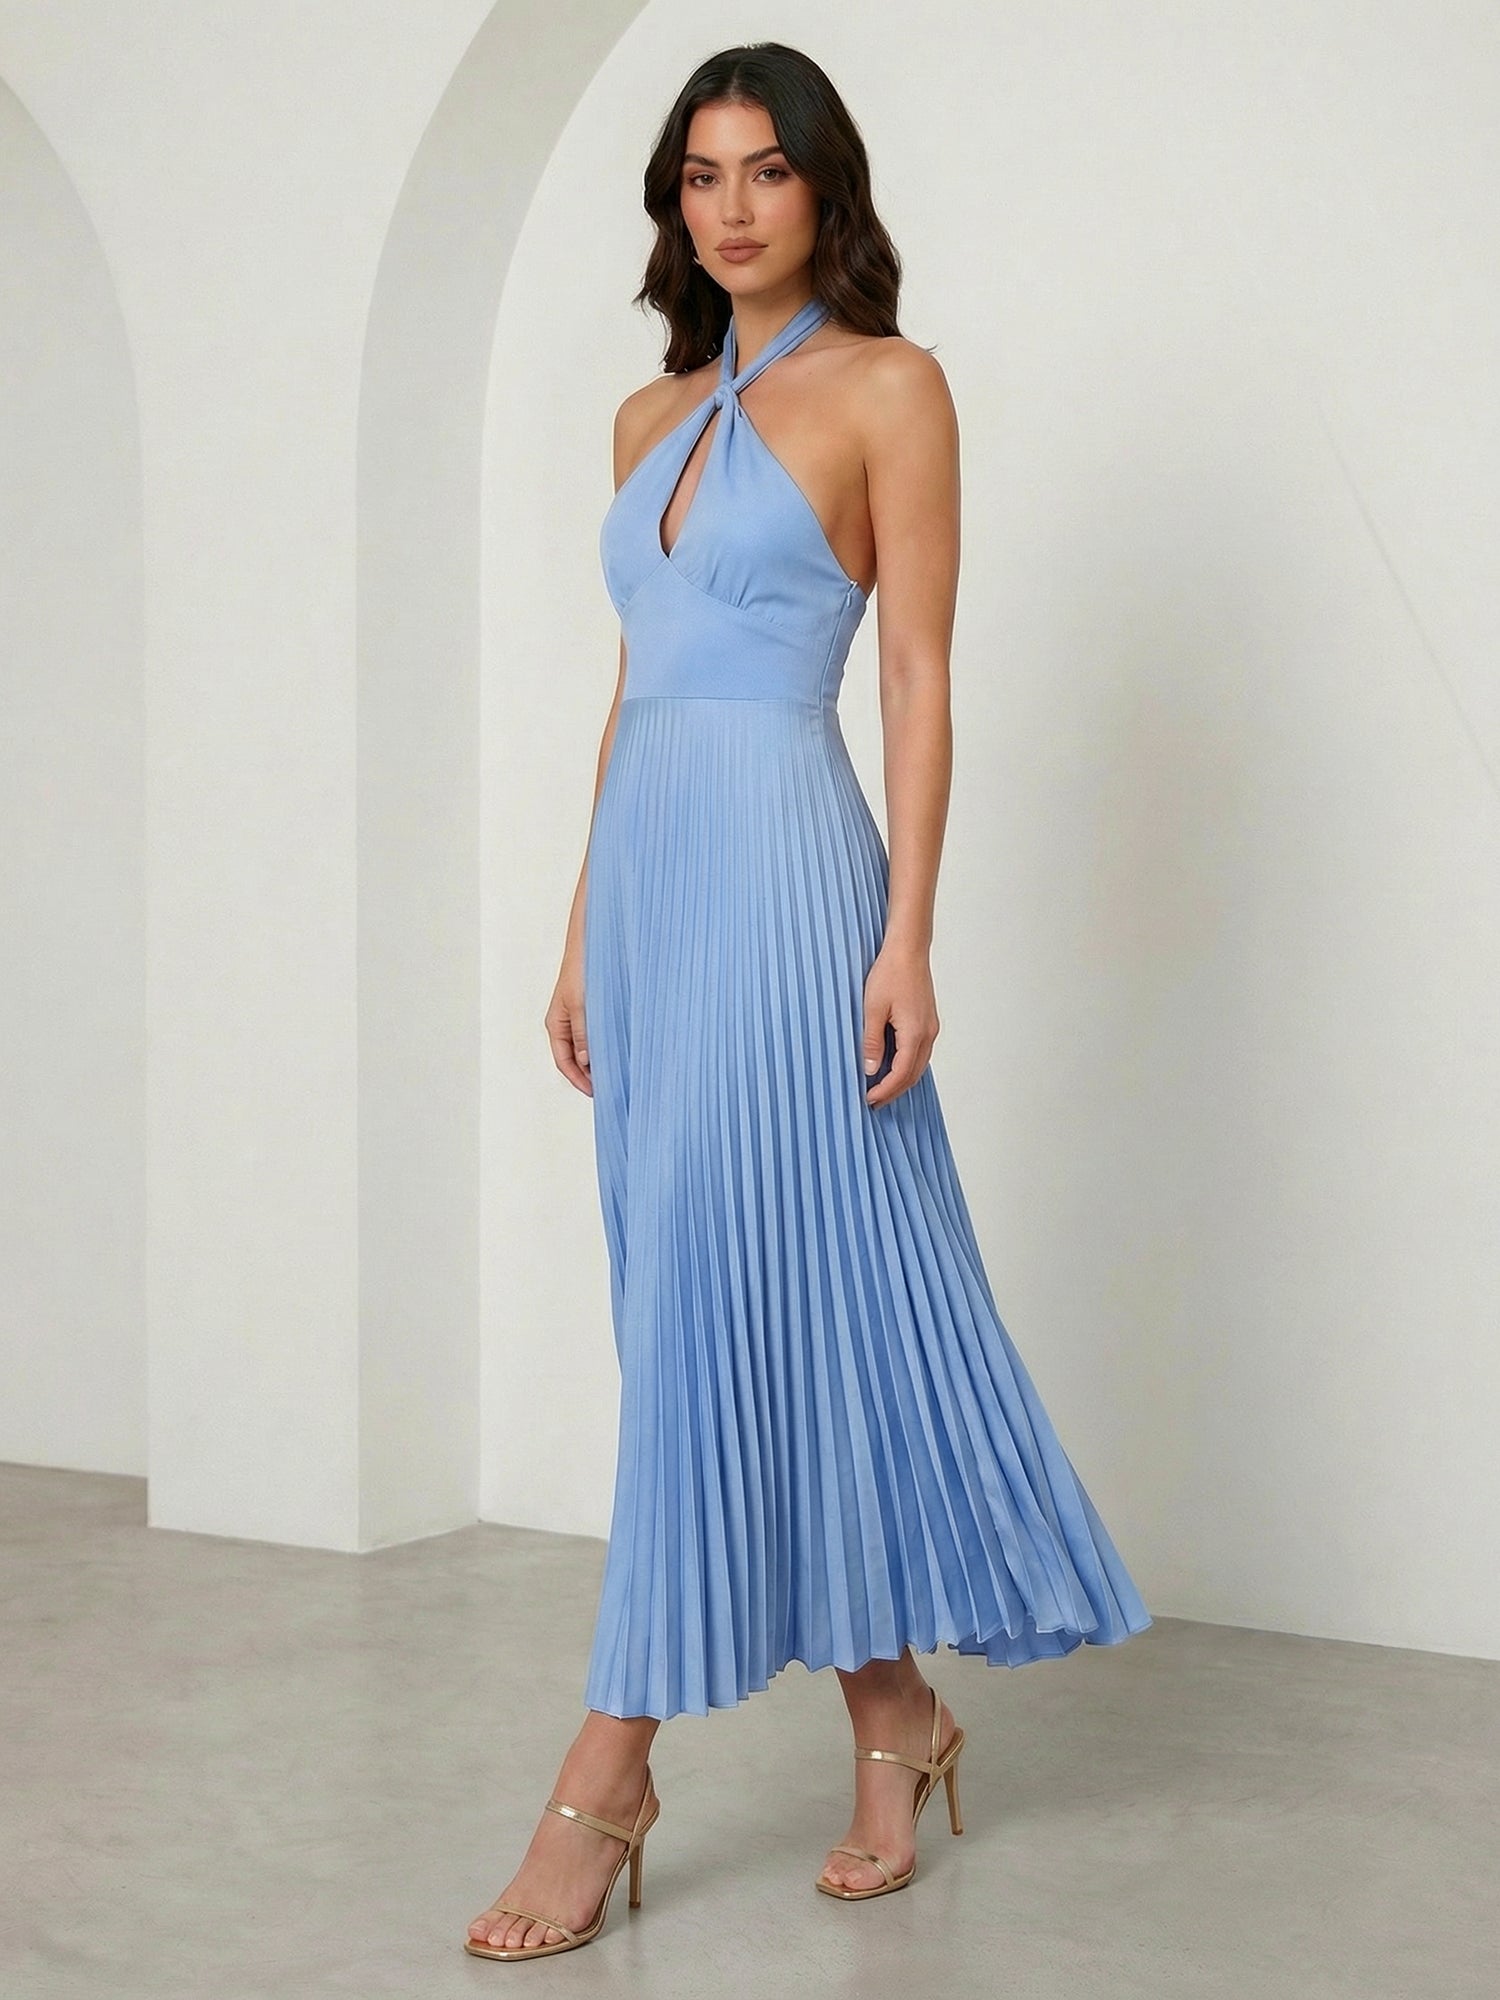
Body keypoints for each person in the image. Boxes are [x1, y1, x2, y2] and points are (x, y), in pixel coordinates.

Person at [466, 41, 1152, 1963]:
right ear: (674, 208)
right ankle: (896, 1718)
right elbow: (635, 684)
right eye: (701, 177)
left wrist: (908, 937)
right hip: (657, 898)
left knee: (782, 1291)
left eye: (766, 170)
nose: (733, 207)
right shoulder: (644, 414)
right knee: (718, 1305)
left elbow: (917, 675)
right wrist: (583, 928)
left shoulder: (889, 388)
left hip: (791, 883)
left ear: (824, 190)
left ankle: (608, 1771)